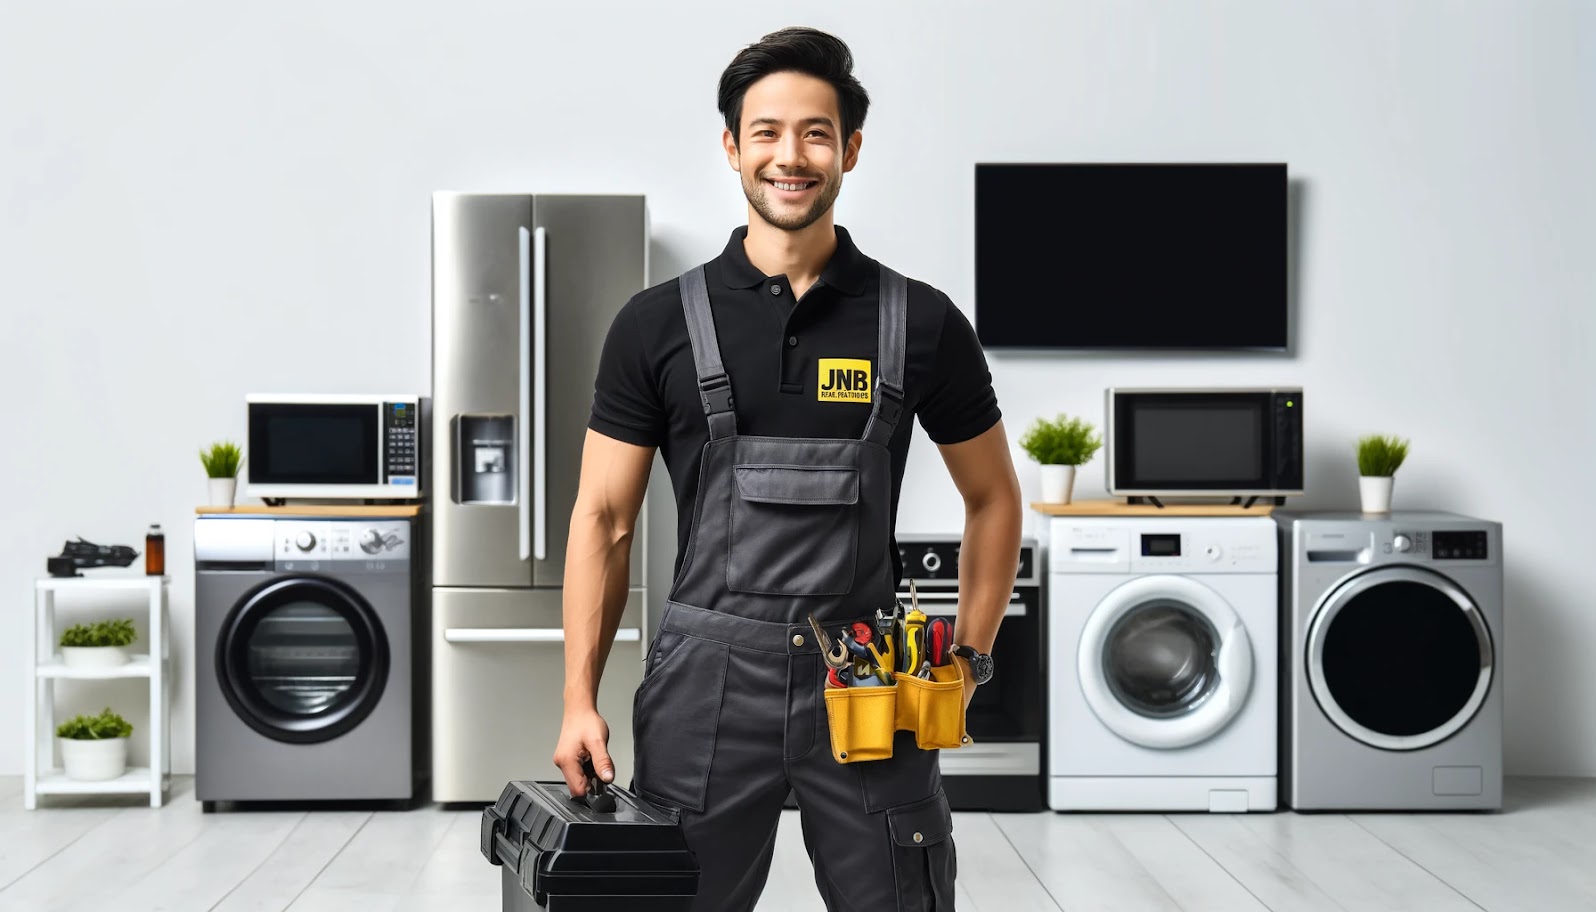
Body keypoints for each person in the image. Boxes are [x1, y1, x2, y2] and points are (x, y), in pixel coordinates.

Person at [553, 26, 1022, 911]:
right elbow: (603, 521)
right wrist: (579, 698)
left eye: (816, 133)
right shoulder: (654, 325)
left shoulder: (922, 323)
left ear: (850, 149)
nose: (790, 156)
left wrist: (970, 656)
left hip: (869, 683)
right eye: (766, 132)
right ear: (733, 147)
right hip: (706, 691)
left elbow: (993, 496)